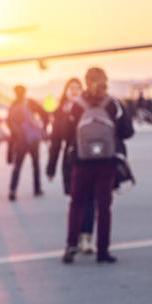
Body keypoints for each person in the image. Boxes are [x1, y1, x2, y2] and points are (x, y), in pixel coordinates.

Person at [62, 67, 134, 264]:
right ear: (105, 80)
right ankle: (103, 250)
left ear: (86, 81)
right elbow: (127, 131)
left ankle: (71, 246)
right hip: (106, 162)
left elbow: (67, 135)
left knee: (77, 203)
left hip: (81, 162)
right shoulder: (114, 104)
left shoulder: (75, 106)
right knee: (104, 206)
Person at [47, 78, 95, 254]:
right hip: (71, 160)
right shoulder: (60, 112)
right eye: (71, 88)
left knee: (89, 200)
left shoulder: (89, 108)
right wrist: (50, 168)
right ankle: (75, 240)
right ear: (65, 91)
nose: (75, 91)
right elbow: (55, 142)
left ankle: (87, 239)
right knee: (77, 200)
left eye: (78, 88)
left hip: (89, 159)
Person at [7, 85, 49, 201]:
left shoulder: (13, 105)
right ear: (25, 92)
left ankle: (12, 190)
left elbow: (9, 122)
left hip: (20, 141)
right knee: (35, 164)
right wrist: (42, 128)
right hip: (33, 139)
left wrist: (16, 135)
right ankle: (37, 189)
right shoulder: (30, 102)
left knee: (17, 166)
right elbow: (44, 114)